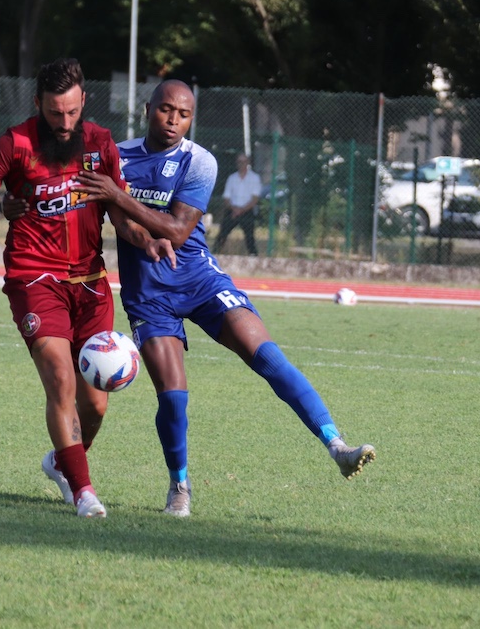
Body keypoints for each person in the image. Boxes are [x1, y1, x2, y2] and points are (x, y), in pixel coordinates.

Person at [33, 80, 375, 518]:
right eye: (165, 110)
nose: (174, 120)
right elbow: (84, 205)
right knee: (174, 395)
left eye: (184, 113)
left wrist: (117, 194)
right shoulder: (116, 156)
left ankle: (337, 446)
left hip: (200, 279)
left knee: (267, 356)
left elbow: (176, 231)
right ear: (147, 109)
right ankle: (180, 486)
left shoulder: (199, 162)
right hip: (149, 296)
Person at [0, 58, 174, 519]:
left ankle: (63, 463)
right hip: (35, 277)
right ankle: (84, 491)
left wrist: (147, 240)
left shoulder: (101, 144)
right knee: (60, 376)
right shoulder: (16, 143)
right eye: (56, 113)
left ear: (84, 102)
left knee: (96, 401)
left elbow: (119, 213)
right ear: (39, 105)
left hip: (90, 282)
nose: (66, 123)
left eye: (73, 112)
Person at [213, 153, 262, 256]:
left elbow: (255, 199)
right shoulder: (232, 178)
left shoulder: (255, 178)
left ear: (248, 162)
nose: (242, 164)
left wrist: (242, 210)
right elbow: (226, 197)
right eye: (239, 162)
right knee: (222, 234)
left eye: (244, 161)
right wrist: (234, 209)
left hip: (247, 210)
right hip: (232, 210)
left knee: (249, 237)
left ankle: (253, 257)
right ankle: (215, 254)